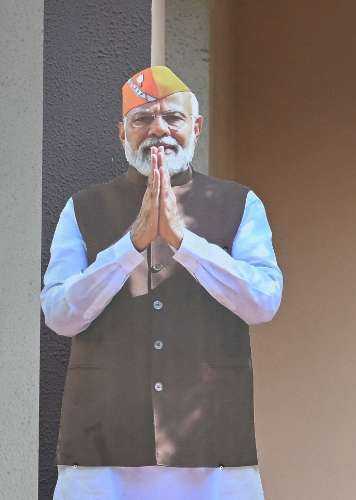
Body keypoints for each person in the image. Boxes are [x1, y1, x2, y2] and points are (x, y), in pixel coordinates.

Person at [41, 66, 283, 500]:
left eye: (172, 117)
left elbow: (263, 301)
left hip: (213, 452)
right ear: (122, 132)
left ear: (196, 126)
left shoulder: (239, 204)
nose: (159, 130)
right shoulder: (82, 207)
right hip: (100, 450)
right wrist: (131, 244)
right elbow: (59, 314)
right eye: (142, 119)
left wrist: (183, 240)